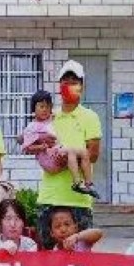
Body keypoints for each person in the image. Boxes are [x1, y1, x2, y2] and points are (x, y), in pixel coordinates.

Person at [34, 60, 102, 250]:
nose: (69, 86)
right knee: (46, 256)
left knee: (80, 257)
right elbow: (37, 146)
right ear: (59, 86)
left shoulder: (90, 117)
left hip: (78, 200)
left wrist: (67, 160)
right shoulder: (49, 117)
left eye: (74, 82)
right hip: (50, 197)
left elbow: (93, 154)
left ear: (82, 86)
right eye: (65, 82)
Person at [22, 90, 98, 198]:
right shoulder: (32, 127)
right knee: (71, 151)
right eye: (41, 107)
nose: (45, 110)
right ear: (33, 109)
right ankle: (77, 182)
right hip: (49, 159)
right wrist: (41, 146)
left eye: (48, 107)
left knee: (84, 152)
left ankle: (89, 183)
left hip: (57, 153)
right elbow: (26, 148)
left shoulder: (50, 119)